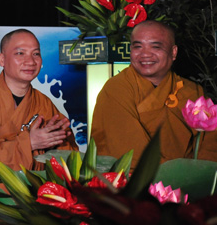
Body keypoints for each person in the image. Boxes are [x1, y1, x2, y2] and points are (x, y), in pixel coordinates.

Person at [91, 20, 217, 166]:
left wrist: (198, 173)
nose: (145, 54)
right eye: (138, 47)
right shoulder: (116, 88)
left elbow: (210, 144)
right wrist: (169, 175)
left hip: (187, 177)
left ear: (173, 52)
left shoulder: (192, 91)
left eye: (155, 46)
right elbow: (125, 151)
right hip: (133, 177)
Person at [0, 28, 77, 172]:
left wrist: (56, 140)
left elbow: (68, 153)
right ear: (2, 60)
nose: (30, 61)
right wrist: (30, 142)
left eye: (36, 54)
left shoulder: (44, 103)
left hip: (35, 182)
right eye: (20, 53)